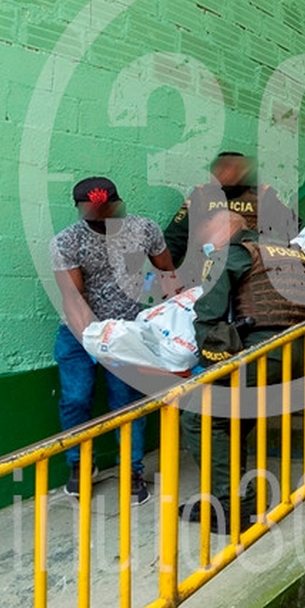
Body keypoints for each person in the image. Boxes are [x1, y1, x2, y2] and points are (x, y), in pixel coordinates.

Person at [178, 210, 305, 534]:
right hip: (301, 353)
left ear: (224, 228)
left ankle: (230, 507)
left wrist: (207, 360)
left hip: (264, 352)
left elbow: (209, 313)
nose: (205, 242)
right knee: (232, 419)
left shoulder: (233, 254)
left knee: (199, 415)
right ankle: (235, 496)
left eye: (206, 232)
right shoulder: (293, 253)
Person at [50, 176, 177, 505]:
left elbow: (167, 271)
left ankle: (131, 470)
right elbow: (73, 296)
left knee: (127, 402)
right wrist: (95, 338)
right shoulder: (67, 242)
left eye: (109, 209)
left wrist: (173, 316)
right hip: (80, 331)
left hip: (128, 331)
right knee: (76, 399)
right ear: (81, 210)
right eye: (95, 211)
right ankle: (80, 465)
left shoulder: (144, 229)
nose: (104, 216)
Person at [163, 151, 297, 270]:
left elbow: (291, 230)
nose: (225, 174)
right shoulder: (201, 196)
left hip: (249, 265)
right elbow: (175, 239)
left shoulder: (262, 196)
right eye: (220, 169)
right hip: (206, 267)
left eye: (231, 169)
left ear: (244, 172)